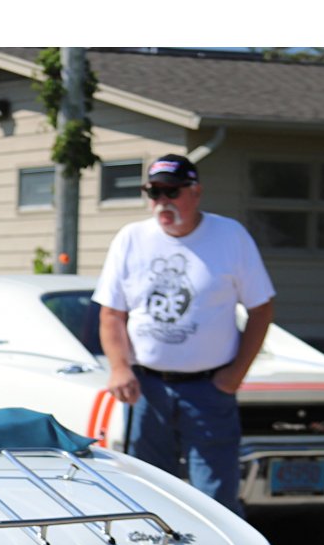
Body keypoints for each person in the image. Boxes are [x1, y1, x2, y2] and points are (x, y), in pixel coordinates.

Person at [93, 153, 275, 514]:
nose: (162, 202)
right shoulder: (132, 238)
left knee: (215, 496)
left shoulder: (230, 236)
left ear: (196, 192)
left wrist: (234, 375)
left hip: (208, 390)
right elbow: (112, 313)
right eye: (154, 192)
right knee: (147, 491)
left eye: (172, 192)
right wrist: (119, 368)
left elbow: (261, 309)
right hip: (147, 389)